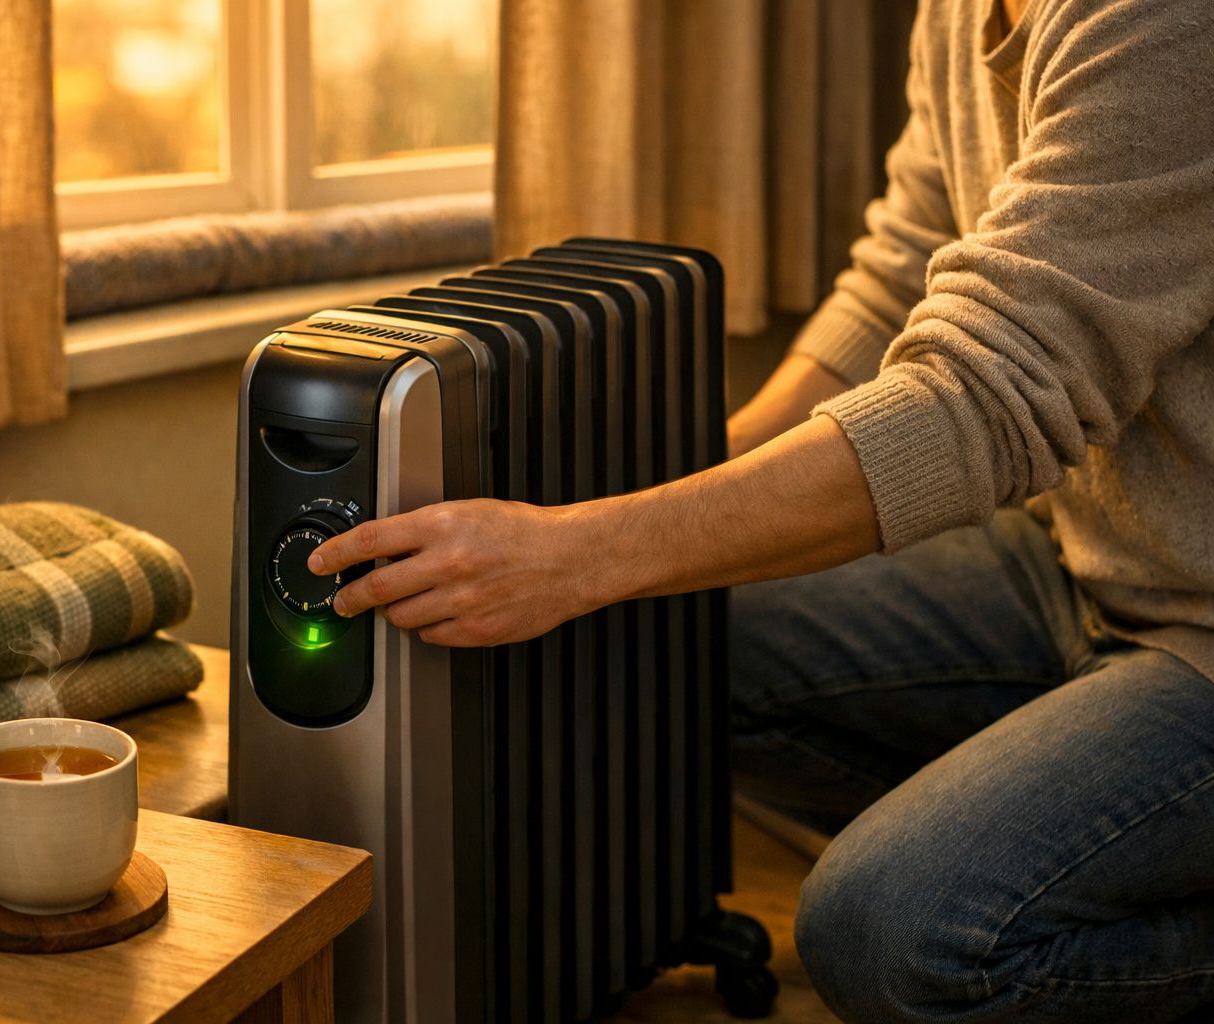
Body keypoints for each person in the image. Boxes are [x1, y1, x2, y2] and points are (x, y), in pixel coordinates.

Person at [308, 0, 1214, 1018]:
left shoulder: (1169, 22)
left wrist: (583, 552)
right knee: (651, 635)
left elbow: (988, 391)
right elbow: (896, 285)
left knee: (894, 937)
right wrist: (635, 515)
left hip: (1203, 625)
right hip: (1076, 563)